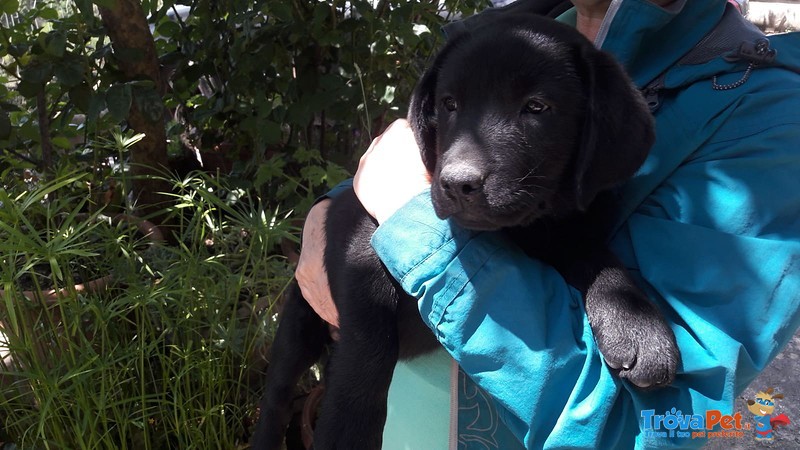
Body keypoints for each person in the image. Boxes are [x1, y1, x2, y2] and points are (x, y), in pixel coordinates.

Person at [295, 0, 800, 448]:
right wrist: (331, 213)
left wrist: (413, 220)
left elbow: (654, 427)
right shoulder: (516, 32)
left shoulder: (768, 119)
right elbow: (414, 164)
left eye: (535, 108)